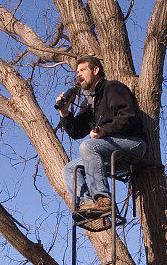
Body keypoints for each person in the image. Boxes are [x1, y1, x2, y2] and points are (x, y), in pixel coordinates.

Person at [58, 56, 147, 217]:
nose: (78, 74)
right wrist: (65, 113)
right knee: (69, 169)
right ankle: (87, 205)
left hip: (133, 144)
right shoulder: (89, 103)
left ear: (96, 70)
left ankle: (103, 201)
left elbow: (129, 117)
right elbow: (76, 131)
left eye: (82, 70)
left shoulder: (113, 88)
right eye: (77, 72)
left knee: (88, 146)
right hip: (106, 151)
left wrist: (105, 130)